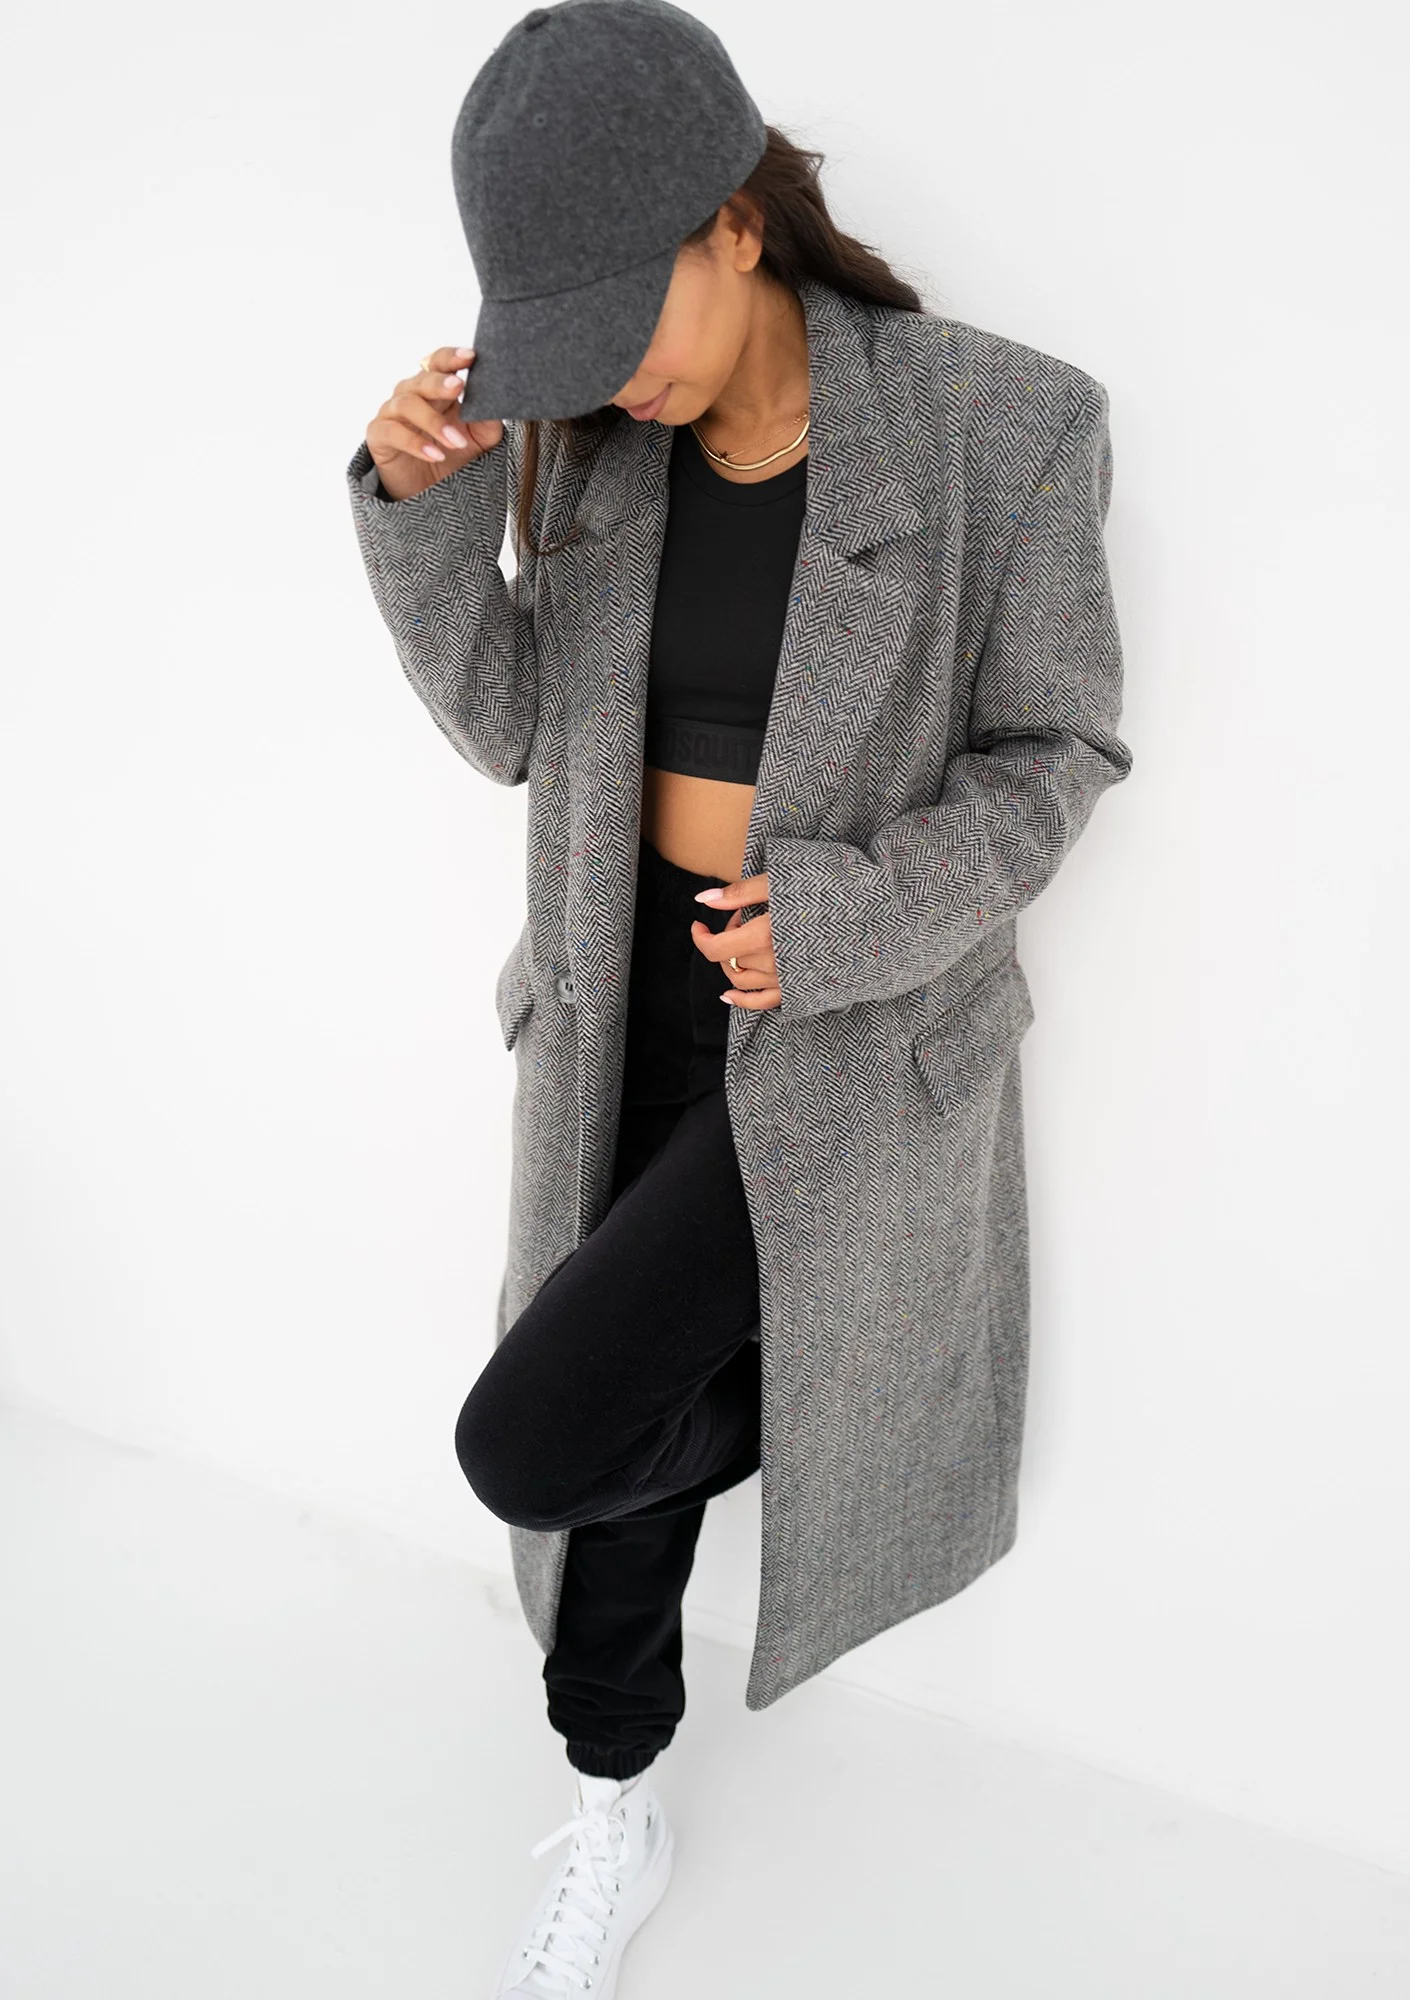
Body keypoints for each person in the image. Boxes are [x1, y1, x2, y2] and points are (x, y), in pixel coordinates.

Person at [345, 4, 1131, 1994]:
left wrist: (853, 915)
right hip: (619, 1010)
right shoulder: (599, 451)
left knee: (540, 1438)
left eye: (623, 318)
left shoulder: (1005, 427)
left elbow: (1056, 755)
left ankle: (814, 1402)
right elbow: (515, 729)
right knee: (595, 1447)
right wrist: (425, 513)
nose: (605, 372)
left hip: (846, 1031)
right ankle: (613, 1789)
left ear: (732, 221)